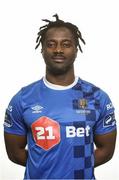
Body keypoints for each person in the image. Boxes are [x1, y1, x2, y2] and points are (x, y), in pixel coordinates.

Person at [4, 14, 117, 180]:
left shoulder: (97, 97)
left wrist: (73, 168)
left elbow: (106, 150)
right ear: (42, 49)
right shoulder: (22, 99)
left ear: (76, 50)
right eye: (51, 44)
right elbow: (15, 153)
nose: (58, 49)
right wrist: (45, 166)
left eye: (66, 44)